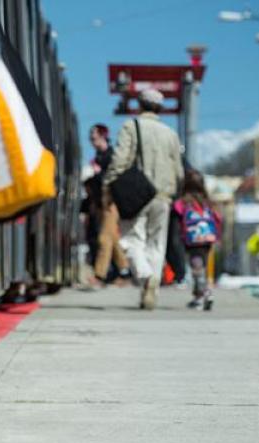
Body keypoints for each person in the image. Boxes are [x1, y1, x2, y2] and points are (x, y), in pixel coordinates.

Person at [104, 88, 184, 310]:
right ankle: (152, 286)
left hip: (136, 194)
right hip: (163, 196)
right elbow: (179, 170)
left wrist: (109, 185)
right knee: (156, 244)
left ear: (140, 105)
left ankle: (145, 275)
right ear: (160, 108)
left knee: (131, 239)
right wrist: (174, 191)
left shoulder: (131, 126)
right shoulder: (170, 133)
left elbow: (120, 160)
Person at [86, 123, 131, 285]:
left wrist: (98, 173)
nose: (91, 141)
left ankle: (99, 275)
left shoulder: (111, 155)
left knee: (104, 238)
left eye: (94, 138)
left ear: (103, 136)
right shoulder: (98, 156)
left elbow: (113, 178)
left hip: (111, 202)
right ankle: (125, 270)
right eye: (90, 138)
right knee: (113, 238)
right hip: (101, 203)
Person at [173, 169, 222, 310]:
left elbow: (177, 218)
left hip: (191, 239)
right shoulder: (207, 203)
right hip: (207, 239)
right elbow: (218, 219)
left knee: (196, 267)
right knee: (202, 266)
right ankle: (198, 296)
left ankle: (205, 293)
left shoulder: (182, 203)